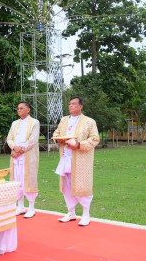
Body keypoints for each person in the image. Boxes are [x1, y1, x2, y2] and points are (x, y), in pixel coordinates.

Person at [53, 96, 99, 226]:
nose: (71, 106)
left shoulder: (89, 122)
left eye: (74, 104)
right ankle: (71, 212)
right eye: (69, 104)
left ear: (81, 106)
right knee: (66, 185)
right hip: (65, 157)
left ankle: (86, 214)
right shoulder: (64, 120)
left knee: (82, 185)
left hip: (80, 160)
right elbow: (56, 134)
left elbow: (95, 139)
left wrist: (79, 144)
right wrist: (58, 140)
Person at [7, 101, 40, 218]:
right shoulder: (14, 123)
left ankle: (31, 207)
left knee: (29, 180)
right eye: (18, 109)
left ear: (28, 109)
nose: (19, 110)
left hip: (28, 156)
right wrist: (14, 147)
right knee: (17, 180)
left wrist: (20, 150)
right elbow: (9, 138)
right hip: (16, 156)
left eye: (22, 108)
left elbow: (33, 139)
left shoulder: (34, 123)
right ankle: (20, 206)